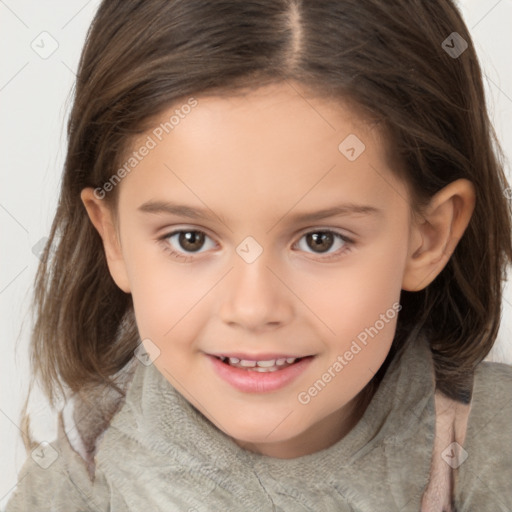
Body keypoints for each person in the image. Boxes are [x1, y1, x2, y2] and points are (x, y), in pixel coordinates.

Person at [6, 0, 512, 511]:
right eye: (190, 239)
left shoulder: (489, 456)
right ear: (113, 238)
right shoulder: (73, 487)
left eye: (321, 240)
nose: (252, 308)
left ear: (426, 237)